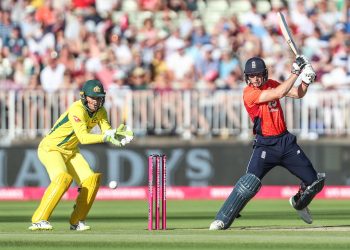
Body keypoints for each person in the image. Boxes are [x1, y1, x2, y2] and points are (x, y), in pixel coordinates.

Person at [209, 56, 326, 230]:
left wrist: (306, 81)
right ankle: (223, 218)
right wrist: (295, 73)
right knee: (248, 184)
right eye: (252, 76)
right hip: (265, 145)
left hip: (286, 142)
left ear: (264, 74)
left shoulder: (271, 82)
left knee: (314, 182)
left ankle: (298, 203)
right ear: (247, 77)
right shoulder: (249, 93)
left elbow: (297, 94)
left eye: (258, 75)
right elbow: (278, 93)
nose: (255, 79)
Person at [29, 79, 133, 231]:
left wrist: (116, 134)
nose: (96, 102)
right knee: (62, 178)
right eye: (93, 98)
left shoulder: (101, 111)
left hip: (71, 151)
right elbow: (84, 138)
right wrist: (106, 137)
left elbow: (107, 131)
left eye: (99, 98)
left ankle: (77, 221)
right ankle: (39, 220)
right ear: (84, 96)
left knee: (91, 180)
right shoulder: (77, 109)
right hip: (51, 148)